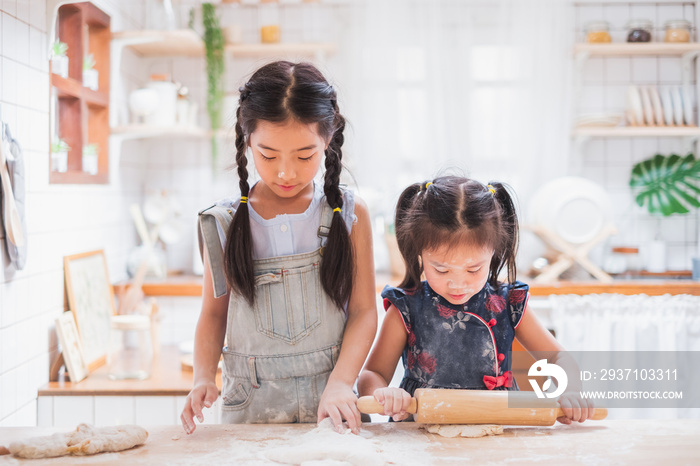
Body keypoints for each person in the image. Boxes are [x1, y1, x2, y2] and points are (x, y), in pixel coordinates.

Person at [181, 61, 377, 435]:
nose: (286, 172)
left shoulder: (351, 215)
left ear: (329, 141)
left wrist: (340, 383)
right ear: (246, 140)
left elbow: (365, 312)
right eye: (268, 155)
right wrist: (203, 376)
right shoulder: (222, 223)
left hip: (331, 404)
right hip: (249, 409)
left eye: (305, 156)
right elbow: (212, 313)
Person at [358, 176, 595, 424]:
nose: (458, 283)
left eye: (473, 269)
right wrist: (384, 395)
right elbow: (372, 374)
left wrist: (570, 391)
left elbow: (559, 358)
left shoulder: (508, 304)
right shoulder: (406, 309)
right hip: (420, 433)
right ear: (420, 253)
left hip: (498, 429)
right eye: (441, 270)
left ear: (493, 253)